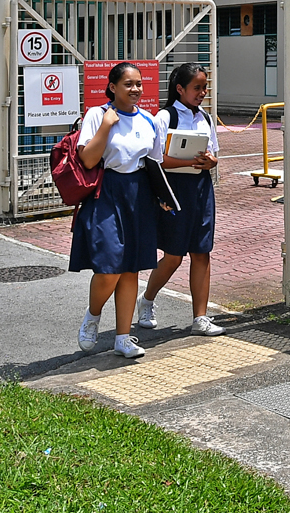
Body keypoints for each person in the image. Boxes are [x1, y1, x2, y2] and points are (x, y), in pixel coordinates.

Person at [71, 62, 166, 359]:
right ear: (112, 87)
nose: (135, 89)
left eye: (139, 83)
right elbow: (87, 159)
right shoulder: (98, 115)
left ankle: (123, 337)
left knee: (130, 269)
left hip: (139, 195)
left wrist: (162, 195)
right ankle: (93, 315)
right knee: (109, 267)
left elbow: (154, 164)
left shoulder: (149, 120)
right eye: (128, 84)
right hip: (107, 191)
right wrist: (107, 125)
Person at [136, 64, 224, 337]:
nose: (202, 93)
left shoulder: (206, 119)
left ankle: (200, 317)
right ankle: (147, 299)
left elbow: (214, 155)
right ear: (180, 89)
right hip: (174, 191)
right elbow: (158, 159)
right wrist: (192, 161)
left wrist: (211, 162)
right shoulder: (164, 117)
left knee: (201, 253)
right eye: (197, 88)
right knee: (173, 256)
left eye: (204, 87)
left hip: (201, 189)